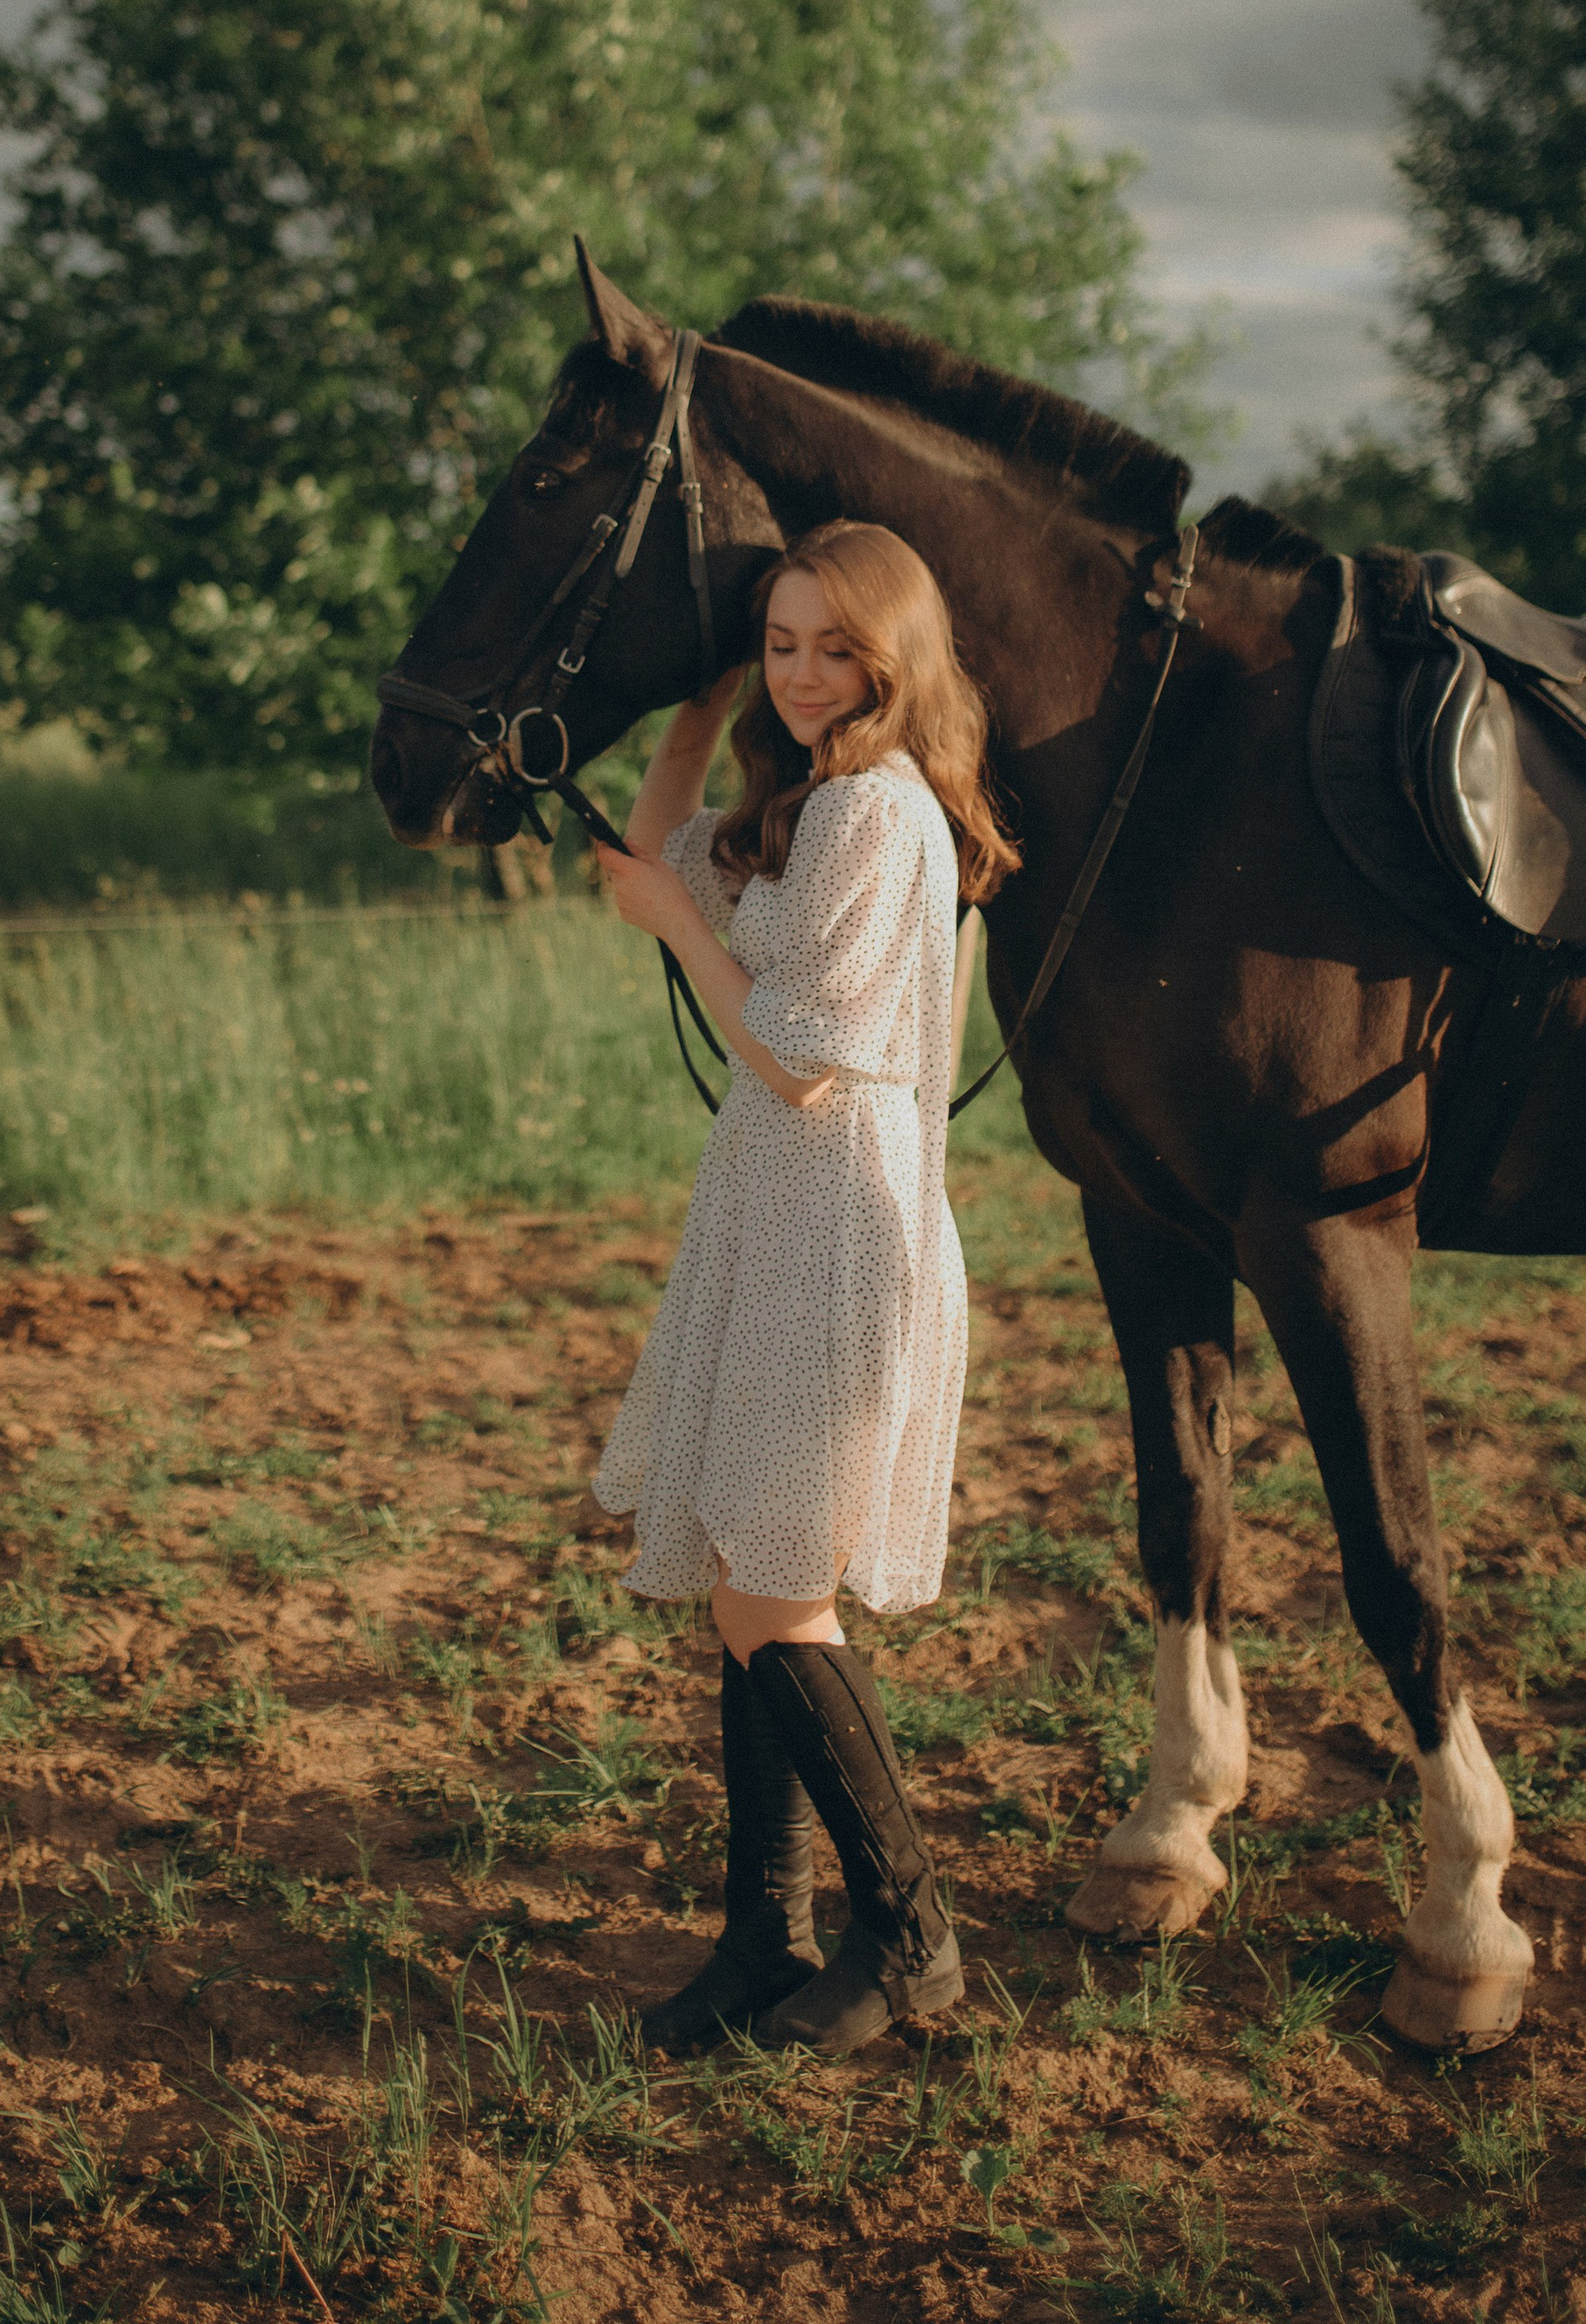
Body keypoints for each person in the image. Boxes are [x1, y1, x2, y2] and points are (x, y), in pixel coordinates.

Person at [591, 519, 1018, 2056]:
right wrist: (702, 706)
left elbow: (798, 1060)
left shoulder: (872, 816)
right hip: (778, 1217)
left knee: (779, 1590)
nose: (806, 673)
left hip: (836, 1226)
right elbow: (650, 855)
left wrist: (675, 930)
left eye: (836, 647)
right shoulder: (816, 801)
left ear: (895, 656)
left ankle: (911, 1932)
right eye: (782, 644)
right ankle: (762, 1935)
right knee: (741, 1595)